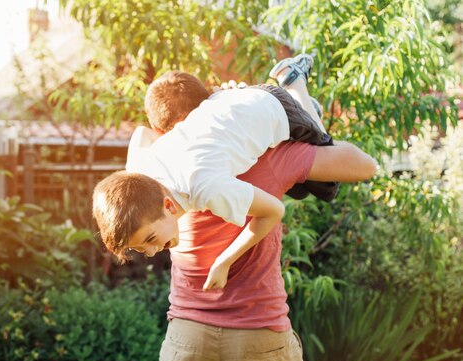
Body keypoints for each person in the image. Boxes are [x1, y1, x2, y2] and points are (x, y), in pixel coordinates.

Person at [149, 138, 377, 361]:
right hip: (258, 335)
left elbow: (143, 132)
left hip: (188, 338)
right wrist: (306, 127)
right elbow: (364, 166)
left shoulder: (167, 159)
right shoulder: (270, 156)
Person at [93, 55, 338, 291]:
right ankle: (307, 112)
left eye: (149, 240)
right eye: (141, 249)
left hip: (272, 105)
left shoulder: (205, 187)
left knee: (327, 185)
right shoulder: (140, 171)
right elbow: (141, 133)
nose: (151, 252)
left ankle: (295, 85)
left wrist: (224, 262)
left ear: (169, 206)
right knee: (300, 190)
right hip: (224, 102)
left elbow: (274, 210)